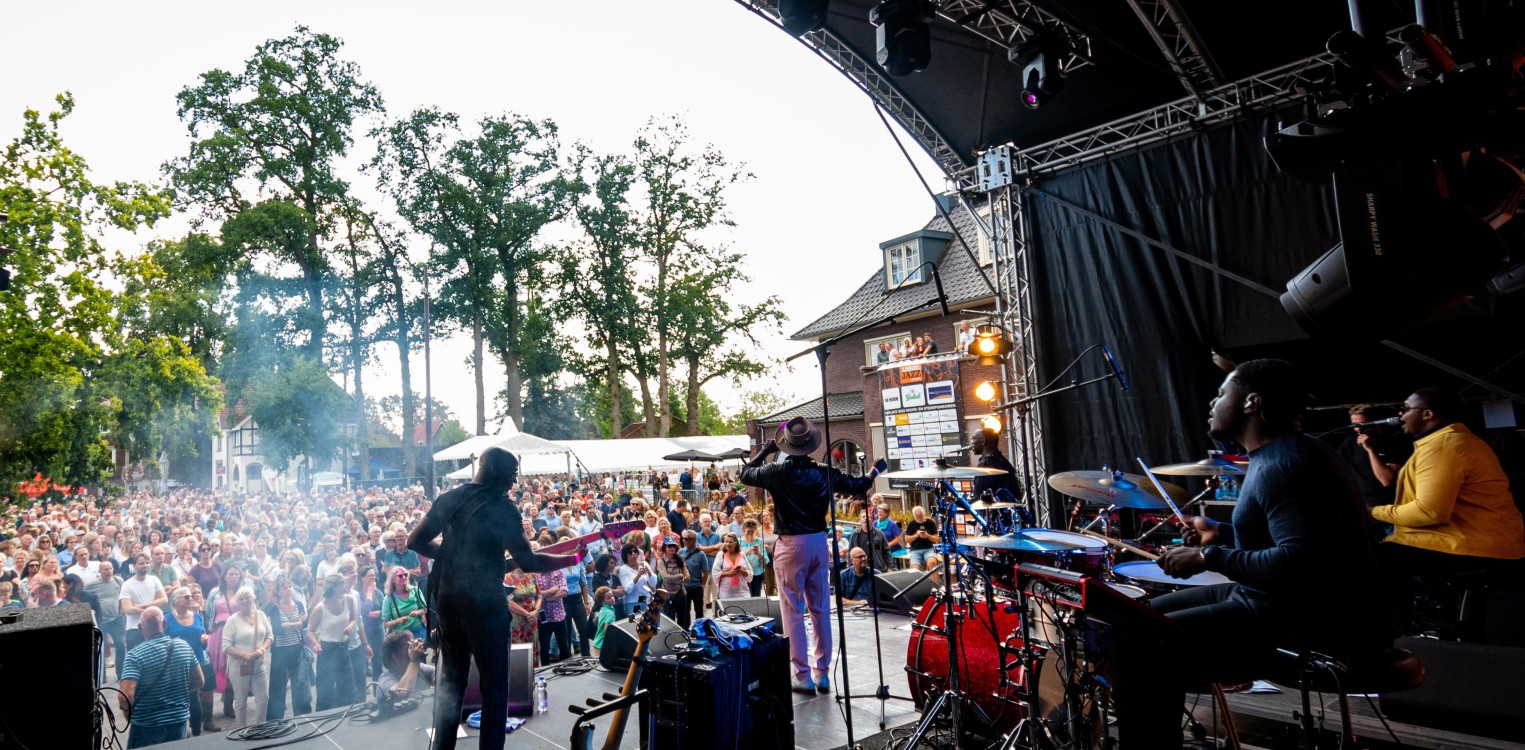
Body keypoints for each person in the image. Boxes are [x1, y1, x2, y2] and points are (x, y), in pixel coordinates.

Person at [1114, 359, 1393, 748]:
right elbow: (1294, 538)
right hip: (1271, 597)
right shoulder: (1290, 453)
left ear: (1252, 402)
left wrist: (1209, 559)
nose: (1213, 402)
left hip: (1306, 617)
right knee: (1140, 619)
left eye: (1222, 393)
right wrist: (1219, 532)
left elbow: (1302, 561)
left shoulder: (1286, 465)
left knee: (1142, 647)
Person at [405, 447, 576, 750]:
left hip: (449, 603)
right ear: (491, 467)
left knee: (450, 684)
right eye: (511, 474)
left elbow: (415, 540)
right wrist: (572, 557)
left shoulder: (449, 499)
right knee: (495, 689)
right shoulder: (503, 509)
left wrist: (452, 559)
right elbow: (530, 561)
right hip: (486, 607)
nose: (513, 482)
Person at [741, 416, 882, 694]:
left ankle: (802, 676)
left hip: (791, 544)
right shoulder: (824, 472)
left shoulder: (776, 471)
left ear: (785, 445)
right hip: (819, 542)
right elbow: (860, 485)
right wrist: (875, 470)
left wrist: (764, 452)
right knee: (820, 610)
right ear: (810, 445)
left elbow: (745, 475)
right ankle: (823, 674)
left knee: (793, 611)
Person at [1370, 388, 1525, 623]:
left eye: (1406, 408)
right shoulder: (1450, 442)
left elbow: (1429, 511)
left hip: (1475, 547)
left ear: (1427, 414)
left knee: (1373, 557)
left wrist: (1372, 512)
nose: (1400, 415)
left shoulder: (1445, 446)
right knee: (1381, 551)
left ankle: (1388, 635)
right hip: (1474, 541)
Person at [119, 607, 202, 748]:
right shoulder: (184, 647)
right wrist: (176, 694)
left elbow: (125, 697)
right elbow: (200, 681)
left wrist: (129, 714)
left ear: (140, 627)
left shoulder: (134, 656)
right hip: (178, 720)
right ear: (164, 623)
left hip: (146, 725)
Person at [164, 585, 216, 734]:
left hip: (199, 660)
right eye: (186, 597)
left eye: (191, 596)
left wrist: (204, 640)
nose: (190, 599)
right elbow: (163, 641)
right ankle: (183, 730)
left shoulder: (197, 616)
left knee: (199, 696)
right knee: (185, 698)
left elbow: (202, 634)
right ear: (175, 601)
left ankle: (198, 730)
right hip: (178, 665)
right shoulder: (166, 619)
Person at [307, 574, 361, 710]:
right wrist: (316, 643)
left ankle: (346, 715)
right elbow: (310, 631)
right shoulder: (320, 608)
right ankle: (324, 718)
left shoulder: (348, 600)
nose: (345, 587)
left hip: (343, 648)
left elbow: (354, 619)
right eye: (341, 585)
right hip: (327, 650)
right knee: (326, 690)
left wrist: (350, 626)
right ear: (332, 588)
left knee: (348, 687)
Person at [221, 587, 272, 729]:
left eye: (247, 597)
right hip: (239, 666)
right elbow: (226, 646)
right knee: (241, 702)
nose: (244, 600)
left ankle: (261, 728)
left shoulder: (260, 615)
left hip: (259, 664)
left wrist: (262, 649)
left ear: (253, 598)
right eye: (241, 598)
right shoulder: (232, 621)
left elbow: (270, 636)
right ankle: (241, 730)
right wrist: (245, 654)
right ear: (237, 602)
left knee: (263, 698)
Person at [263, 575, 309, 722]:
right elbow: (277, 629)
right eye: (284, 587)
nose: (288, 590)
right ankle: (275, 718)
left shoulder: (299, 605)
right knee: (277, 685)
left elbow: (305, 624)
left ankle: (301, 715)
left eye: (290, 587)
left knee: (299, 682)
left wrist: (291, 625)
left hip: (296, 648)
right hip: (280, 650)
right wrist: (296, 623)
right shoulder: (274, 607)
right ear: (279, 591)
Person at [121, 553, 168, 654]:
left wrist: (142, 606)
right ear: (134, 566)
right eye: (141, 563)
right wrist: (151, 611)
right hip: (134, 628)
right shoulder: (127, 585)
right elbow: (127, 609)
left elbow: (164, 599)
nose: (145, 565)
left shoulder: (154, 580)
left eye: (147, 563)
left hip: (155, 626)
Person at [86, 561, 126, 679]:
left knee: (121, 645)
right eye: (105, 569)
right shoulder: (91, 585)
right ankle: (101, 676)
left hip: (116, 619)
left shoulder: (119, 581)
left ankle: (121, 673)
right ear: (100, 571)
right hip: (101, 621)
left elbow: (122, 596)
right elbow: (83, 595)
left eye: (110, 569)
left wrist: (121, 609)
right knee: (100, 648)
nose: (108, 572)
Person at [970, 427, 1022, 502]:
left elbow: (978, 498)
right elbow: (1017, 494)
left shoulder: (986, 465)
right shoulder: (1004, 462)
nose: (972, 443)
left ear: (983, 441)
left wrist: (957, 502)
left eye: (973, 439)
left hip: (994, 511)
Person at [533, 563, 571, 664]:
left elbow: (565, 592)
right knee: (544, 648)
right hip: (543, 618)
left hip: (559, 616)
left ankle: (568, 668)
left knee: (564, 646)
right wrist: (552, 591)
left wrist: (546, 597)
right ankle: (546, 673)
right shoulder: (535, 575)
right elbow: (534, 593)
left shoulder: (558, 572)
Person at [378, 631, 434, 698]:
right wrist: (415, 659)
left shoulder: (420, 668)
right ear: (395, 655)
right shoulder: (385, 680)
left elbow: (441, 676)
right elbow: (400, 694)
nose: (413, 648)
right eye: (409, 645)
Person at [504, 565, 541, 666]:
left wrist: (536, 611)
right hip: (517, 622)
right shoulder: (508, 578)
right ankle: (520, 678)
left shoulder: (532, 575)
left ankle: (534, 676)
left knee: (534, 649)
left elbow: (539, 596)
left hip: (532, 620)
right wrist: (527, 613)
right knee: (520, 653)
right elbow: (508, 601)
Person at [382, 565, 427, 642]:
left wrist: (417, 612)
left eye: (405, 575)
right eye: (400, 576)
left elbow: (425, 609)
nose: (403, 577)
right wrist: (397, 621)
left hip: (419, 630)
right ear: (393, 580)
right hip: (401, 635)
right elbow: (386, 623)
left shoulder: (415, 590)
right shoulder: (388, 598)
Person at [616, 543, 660, 617]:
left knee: (649, 625)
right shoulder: (623, 569)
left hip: (646, 600)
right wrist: (638, 575)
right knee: (635, 626)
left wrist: (649, 573)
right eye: (630, 552)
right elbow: (628, 589)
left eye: (635, 551)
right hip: (633, 603)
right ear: (625, 556)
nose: (634, 554)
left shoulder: (644, 564)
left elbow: (653, 584)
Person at [678, 529, 708, 625]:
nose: (684, 541)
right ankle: (685, 630)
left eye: (687, 539)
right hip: (684, 587)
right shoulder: (680, 552)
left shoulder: (701, 554)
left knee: (699, 610)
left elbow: (706, 571)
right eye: (683, 539)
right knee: (685, 611)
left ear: (693, 540)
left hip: (696, 587)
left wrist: (702, 585)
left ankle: (700, 629)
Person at [848, 508, 893, 574]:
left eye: (868, 517)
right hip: (860, 569)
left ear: (871, 519)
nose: (865, 518)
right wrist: (850, 567)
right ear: (860, 520)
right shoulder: (855, 534)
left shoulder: (879, 533)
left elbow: (887, 551)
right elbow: (850, 551)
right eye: (863, 517)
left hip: (878, 568)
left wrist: (890, 567)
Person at [739, 519, 769, 598]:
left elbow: (765, 560)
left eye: (752, 532)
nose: (750, 533)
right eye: (748, 531)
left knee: (756, 594)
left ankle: (756, 610)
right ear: (743, 529)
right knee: (746, 594)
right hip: (744, 572)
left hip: (757, 572)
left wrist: (758, 554)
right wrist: (746, 552)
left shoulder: (759, 541)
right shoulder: (739, 541)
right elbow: (736, 558)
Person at [902, 506, 938, 570]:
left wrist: (928, 536)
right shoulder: (911, 524)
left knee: (932, 563)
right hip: (915, 550)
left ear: (924, 514)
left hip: (928, 549)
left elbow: (936, 539)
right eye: (917, 516)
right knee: (914, 570)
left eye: (920, 516)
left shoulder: (931, 523)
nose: (919, 518)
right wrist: (916, 535)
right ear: (914, 516)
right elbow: (907, 540)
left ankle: (936, 580)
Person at [590, 586, 617, 657]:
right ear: (603, 602)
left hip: (597, 642)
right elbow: (607, 630)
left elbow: (595, 621)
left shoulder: (602, 609)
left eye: (612, 596)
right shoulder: (609, 613)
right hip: (603, 645)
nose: (612, 598)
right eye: (609, 598)